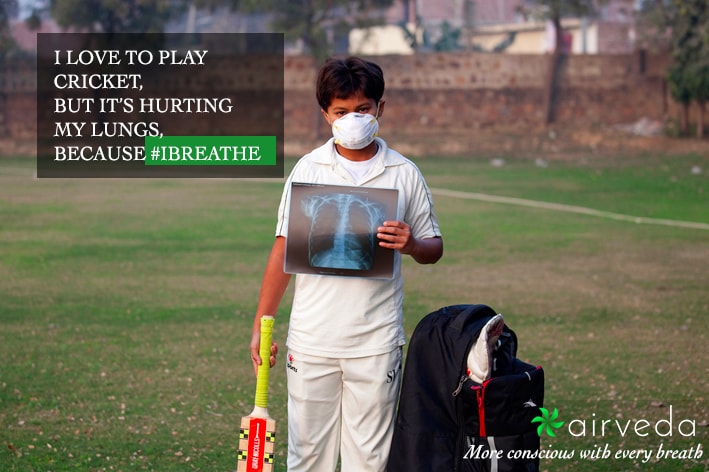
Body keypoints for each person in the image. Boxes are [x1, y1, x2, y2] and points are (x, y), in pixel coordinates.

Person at [250, 56, 443, 472]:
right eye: (341, 111)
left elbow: (435, 246)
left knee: (370, 460)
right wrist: (261, 323)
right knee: (307, 457)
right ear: (326, 115)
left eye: (362, 109)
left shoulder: (404, 173)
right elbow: (283, 250)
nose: (353, 119)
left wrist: (411, 244)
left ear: (380, 109)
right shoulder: (308, 168)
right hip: (312, 339)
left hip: (375, 341)